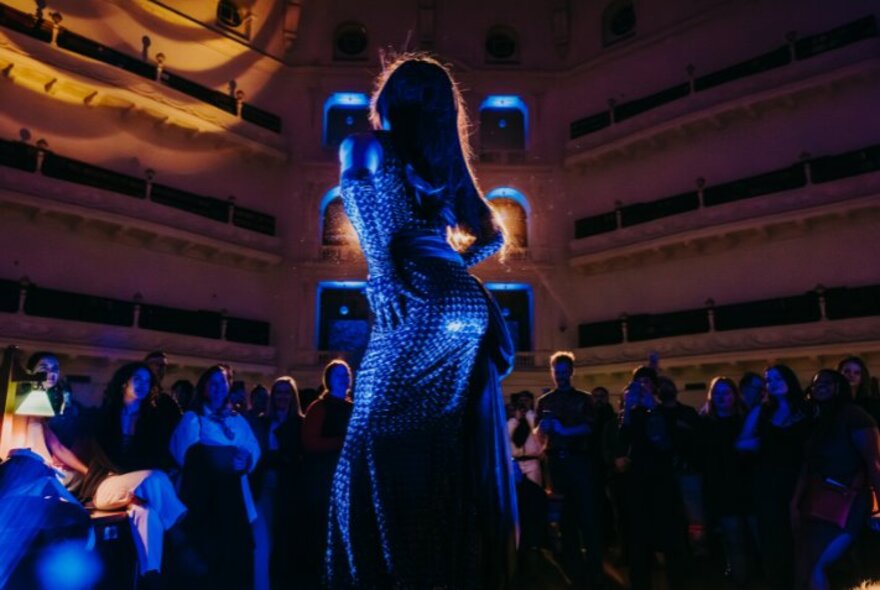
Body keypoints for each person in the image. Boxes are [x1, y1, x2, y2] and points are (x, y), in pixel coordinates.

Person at [325, 53, 517, 590]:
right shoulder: (443, 164)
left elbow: (359, 199)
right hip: (463, 302)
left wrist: (384, 274)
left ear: (389, 99)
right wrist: (452, 270)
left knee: (372, 440)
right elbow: (494, 235)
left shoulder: (366, 145)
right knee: (437, 445)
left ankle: (389, 574)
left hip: (414, 294)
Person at [59, 362, 186, 588]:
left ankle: (151, 575)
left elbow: (158, 456)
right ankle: (179, 532)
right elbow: (107, 457)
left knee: (145, 513)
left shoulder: (151, 420)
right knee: (154, 478)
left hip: (137, 489)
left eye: (147, 381)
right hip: (105, 486)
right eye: (137, 379)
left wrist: (143, 481)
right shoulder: (105, 416)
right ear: (124, 382)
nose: (142, 385)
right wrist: (137, 481)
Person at [170, 365, 261, 590]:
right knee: (208, 556)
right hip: (204, 501)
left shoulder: (237, 420)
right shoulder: (194, 418)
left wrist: (246, 458)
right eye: (213, 383)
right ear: (204, 388)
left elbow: (253, 447)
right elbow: (183, 453)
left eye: (222, 383)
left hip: (236, 502)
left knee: (235, 557)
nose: (218, 388)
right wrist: (220, 456)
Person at [792, 369, 880, 590]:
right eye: (815, 384)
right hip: (817, 501)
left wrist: (879, 507)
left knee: (816, 564)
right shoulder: (817, 418)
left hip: (846, 501)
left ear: (838, 386)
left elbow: (874, 462)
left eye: (826, 382)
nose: (819, 386)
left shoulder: (854, 415)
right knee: (808, 565)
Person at [737, 364, 812, 590]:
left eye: (778, 378)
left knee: (800, 538)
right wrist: (761, 444)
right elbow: (742, 442)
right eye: (769, 380)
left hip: (799, 481)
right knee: (773, 540)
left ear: (789, 380)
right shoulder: (762, 410)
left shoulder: (805, 409)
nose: (773, 383)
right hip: (768, 483)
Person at [535, 351, 603, 587]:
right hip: (556, 463)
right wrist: (541, 429)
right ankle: (573, 566)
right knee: (565, 517)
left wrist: (564, 431)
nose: (561, 377)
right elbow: (539, 435)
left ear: (571, 372)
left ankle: (595, 567)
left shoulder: (584, 399)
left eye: (565, 372)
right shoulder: (544, 401)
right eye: (557, 373)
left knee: (587, 515)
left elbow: (589, 428)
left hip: (579, 462)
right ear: (552, 373)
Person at [699, 377, 755, 586]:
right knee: (734, 541)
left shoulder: (746, 420)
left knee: (754, 539)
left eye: (727, 392)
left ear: (735, 395)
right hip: (721, 491)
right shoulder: (704, 423)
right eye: (718, 393)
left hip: (748, 488)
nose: (722, 397)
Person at [250, 376, 304, 590]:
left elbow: (297, 456)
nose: (282, 396)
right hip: (264, 487)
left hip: (288, 490)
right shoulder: (263, 422)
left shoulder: (299, 423)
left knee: (286, 539)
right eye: (279, 392)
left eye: (286, 392)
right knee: (264, 540)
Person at [303, 360, 354, 585]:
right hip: (325, 480)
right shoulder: (319, 407)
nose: (344, 377)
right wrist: (342, 443)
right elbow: (310, 443)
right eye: (339, 374)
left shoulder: (353, 407)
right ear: (328, 379)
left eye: (346, 374)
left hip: (347, 481)